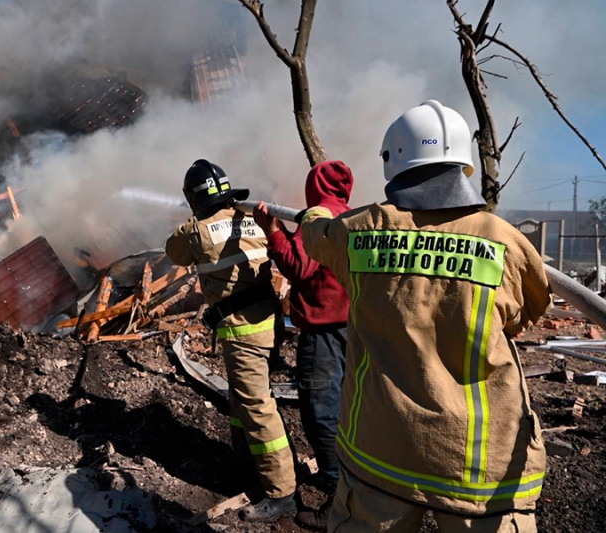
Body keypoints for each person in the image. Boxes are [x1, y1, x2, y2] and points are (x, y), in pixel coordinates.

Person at [299, 100, 551, 532]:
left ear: (392, 160)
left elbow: (314, 236)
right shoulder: (503, 240)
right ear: (463, 162)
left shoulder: (361, 229)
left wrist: (318, 209)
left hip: (380, 452)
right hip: (478, 466)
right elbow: (528, 312)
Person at [165, 159, 297, 523]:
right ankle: (245, 458)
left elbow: (173, 250)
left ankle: (281, 492)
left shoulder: (196, 230)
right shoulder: (250, 217)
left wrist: (194, 220)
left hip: (244, 333)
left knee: (257, 406)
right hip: (270, 322)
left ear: (193, 198)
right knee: (242, 395)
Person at [252, 160, 354, 531]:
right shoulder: (352, 215)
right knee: (348, 407)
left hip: (324, 332)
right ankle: (350, 478)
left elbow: (298, 267)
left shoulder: (318, 218)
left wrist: (273, 231)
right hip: (354, 329)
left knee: (321, 410)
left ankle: (337, 488)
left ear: (314, 187)